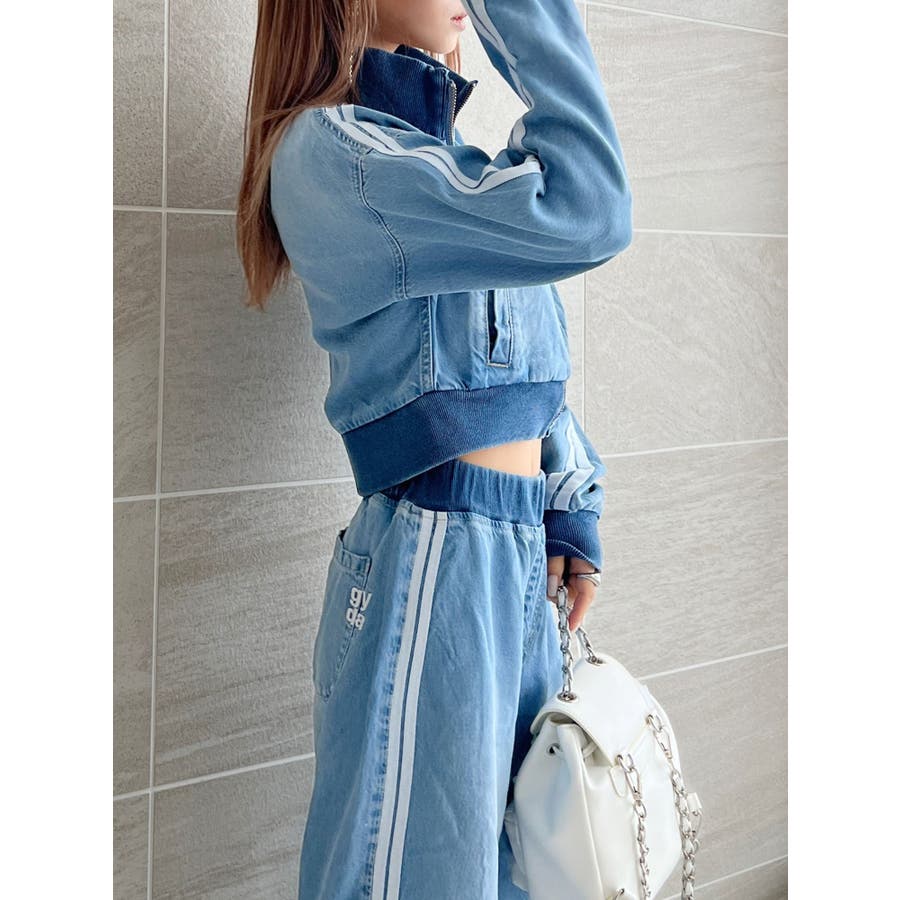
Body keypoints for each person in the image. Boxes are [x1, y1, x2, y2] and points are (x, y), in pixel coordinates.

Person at [236, 0, 633, 896]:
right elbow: (590, 209)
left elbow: (520, 371)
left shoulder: (438, 163)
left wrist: (566, 502)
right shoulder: (334, 157)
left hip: (513, 566)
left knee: (525, 873)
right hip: (434, 561)